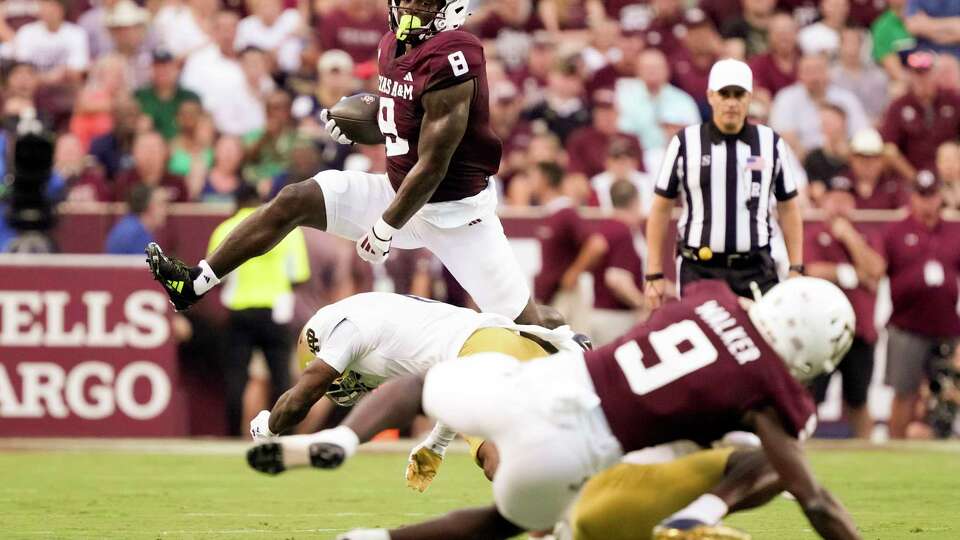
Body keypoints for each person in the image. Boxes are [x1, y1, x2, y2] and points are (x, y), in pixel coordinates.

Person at [250, 277, 861, 540]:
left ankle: (345, 443)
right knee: (499, 526)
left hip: (537, 385)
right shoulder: (770, 392)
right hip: (574, 449)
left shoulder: (708, 298)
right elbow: (816, 500)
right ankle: (376, 538)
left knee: (423, 385)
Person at [147, 0, 544, 326]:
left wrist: (386, 226)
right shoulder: (391, 44)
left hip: (455, 214)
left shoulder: (455, 57)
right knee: (295, 198)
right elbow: (402, 119)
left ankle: (579, 360)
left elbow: (434, 162)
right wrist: (366, 127)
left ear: (453, 8)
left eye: (422, 3)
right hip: (397, 188)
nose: (408, 8)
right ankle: (195, 282)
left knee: (529, 324)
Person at [246, 291, 581, 488]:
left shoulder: (349, 327)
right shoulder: (390, 315)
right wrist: (436, 443)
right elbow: (447, 377)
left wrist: (268, 427)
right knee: (564, 437)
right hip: (510, 341)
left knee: (498, 463)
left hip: (479, 355)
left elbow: (306, 391)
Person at [644, 59, 804, 311]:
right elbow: (661, 207)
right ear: (710, 96)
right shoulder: (686, 142)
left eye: (738, 94)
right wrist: (653, 271)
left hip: (755, 268)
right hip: (700, 267)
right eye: (724, 94)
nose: (731, 102)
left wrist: (796, 267)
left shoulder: (770, 142)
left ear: (749, 98)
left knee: (761, 345)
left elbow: (789, 206)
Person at [210, 184, 310, 436]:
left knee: (237, 378)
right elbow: (298, 275)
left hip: (240, 308)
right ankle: (284, 432)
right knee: (281, 378)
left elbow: (214, 276)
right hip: (275, 310)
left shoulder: (224, 229)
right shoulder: (287, 229)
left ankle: (233, 434)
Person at [880, 170, 960, 439]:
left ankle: (941, 443)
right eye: (922, 195)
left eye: (932, 195)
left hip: (947, 326)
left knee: (948, 391)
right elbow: (878, 271)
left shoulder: (954, 230)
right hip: (907, 326)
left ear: (941, 197)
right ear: (912, 197)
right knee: (904, 392)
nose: (927, 202)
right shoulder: (895, 231)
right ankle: (895, 448)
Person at [804, 188, 884, 438]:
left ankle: (869, 455)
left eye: (845, 200)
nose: (839, 206)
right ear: (824, 202)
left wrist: (849, 237)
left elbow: (876, 270)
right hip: (820, 331)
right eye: (834, 199)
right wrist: (853, 274)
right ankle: (804, 453)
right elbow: (811, 270)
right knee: (809, 399)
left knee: (858, 400)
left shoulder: (866, 234)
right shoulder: (813, 234)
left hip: (859, 330)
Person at [531, 161, 609, 332]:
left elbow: (596, 244)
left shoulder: (566, 213)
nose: (530, 181)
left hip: (564, 295)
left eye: (534, 176)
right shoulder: (553, 213)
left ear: (545, 179)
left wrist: (573, 273)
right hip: (552, 294)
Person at [770, 52, 870, 159]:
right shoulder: (786, 98)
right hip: (801, 161)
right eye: (808, 71)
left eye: (818, 70)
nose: (814, 77)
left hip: (842, 160)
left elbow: (863, 134)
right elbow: (784, 136)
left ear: (828, 73)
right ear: (799, 75)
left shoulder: (847, 99)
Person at [880, 50, 960, 176]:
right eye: (917, 73)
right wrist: (914, 178)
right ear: (910, 76)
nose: (922, 78)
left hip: (949, 174)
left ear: (935, 74)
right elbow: (889, 147)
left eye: (926, 73)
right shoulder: (899, 105)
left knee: (949, 150)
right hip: (912, 175)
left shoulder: (953, 100)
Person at [588, 180, 646, 346]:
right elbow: (616, 278)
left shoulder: (607, 227)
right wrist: (642, 303)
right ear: (635, 202)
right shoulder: (623, 231)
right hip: (616, 318)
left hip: (602, 313)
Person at [134, 49, 202, 141]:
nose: (162, 72)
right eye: (157, 67)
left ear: (176, 69)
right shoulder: (140, 96)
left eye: (166, 67)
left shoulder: (190, 97)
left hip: (182, 149)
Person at [105, 184, 167, 254]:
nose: (165, 210)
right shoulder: (138, 235)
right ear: (149, 206)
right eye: (161, 204)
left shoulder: (129, 226)